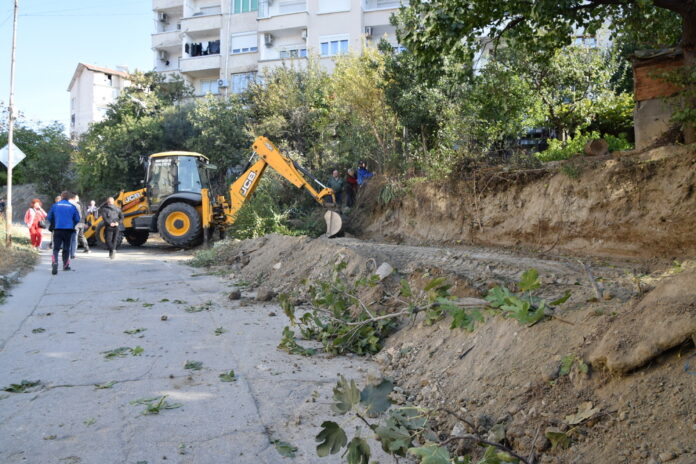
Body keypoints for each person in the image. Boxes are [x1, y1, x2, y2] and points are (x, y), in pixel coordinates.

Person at [47, 191, 80, 274]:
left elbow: (49, 217)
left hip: (57, 229)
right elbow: (77, 219)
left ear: (61, 197)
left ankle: (55, 262)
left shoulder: (55, 205)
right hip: (68, 230)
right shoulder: (72, 206)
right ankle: (65, 266)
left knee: (56, 248)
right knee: (66, 248)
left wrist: (54, 222)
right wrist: (72, 224)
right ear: (69, 198)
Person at [68, 193, 90, 258]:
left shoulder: (74, 205)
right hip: (82, 223)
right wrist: (86, 222)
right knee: (81, 236)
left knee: (74, 238)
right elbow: (85, 214)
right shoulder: (83, 205)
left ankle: (72, 252)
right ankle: (87, 248)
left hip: (76, 223)